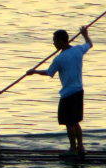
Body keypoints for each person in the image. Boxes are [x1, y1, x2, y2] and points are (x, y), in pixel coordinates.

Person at [26, 26, 93, 155]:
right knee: (76, 122)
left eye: (55, 41)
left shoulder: (59, 59)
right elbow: (89, 44)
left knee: (69, 123)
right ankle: (81, 147)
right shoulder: (78, 50)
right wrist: (85, 34)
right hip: (79, 90)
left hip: (68, 93)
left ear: (61, 42)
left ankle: (73, 148)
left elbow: (49, 72)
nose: (53, 43)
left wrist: (34, 72)